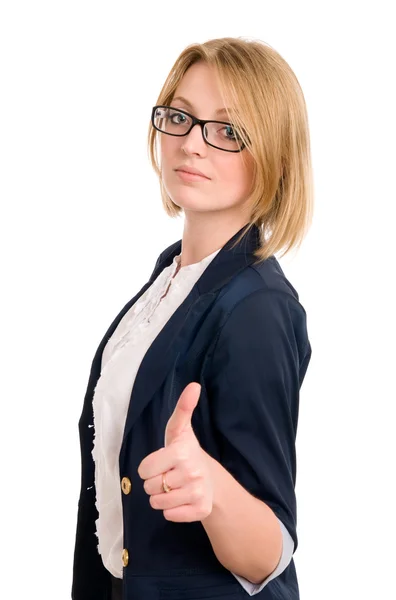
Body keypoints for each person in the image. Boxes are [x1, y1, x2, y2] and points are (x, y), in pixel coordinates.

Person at [71, 36, 313, 600]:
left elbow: (269, 551)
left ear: (274, 152)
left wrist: (215, 491)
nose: (191, 145)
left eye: (228, 130)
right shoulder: (170, 279)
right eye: (180, 117)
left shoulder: (257, 309)